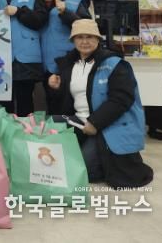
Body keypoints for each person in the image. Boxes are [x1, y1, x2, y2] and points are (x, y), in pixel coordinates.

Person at [48, 19, 153, 189]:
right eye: (79, 37)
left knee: (83, 171)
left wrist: (95, 122)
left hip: (105, 125)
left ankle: (104, 157)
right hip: (80, 121)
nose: (84, 41)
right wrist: (57, 88)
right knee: (49, 126)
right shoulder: (69, 65)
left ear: (98, 39)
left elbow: (121, 99)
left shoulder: (115, 64)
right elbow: (68, 100)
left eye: (89, 36)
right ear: (73, 40)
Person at [37, 0, 91, 113]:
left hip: (69, 63)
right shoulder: (37, 5)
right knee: (51, 105)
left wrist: (65, 12)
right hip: (46, 66)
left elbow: (87, 28)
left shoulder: (73, 2)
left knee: (72, 106)